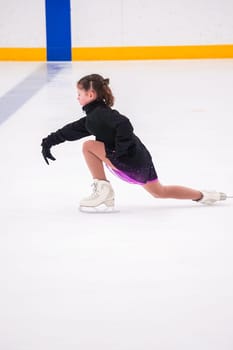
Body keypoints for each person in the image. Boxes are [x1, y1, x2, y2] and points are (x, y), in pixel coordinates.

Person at [41, 73, 227, 211]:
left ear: (90, 94)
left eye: (79, 93)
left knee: (88, 146)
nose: (77, 97)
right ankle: (204, 195)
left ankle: (103, 189)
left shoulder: (101, 115)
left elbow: (124, 124)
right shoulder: (95, 117)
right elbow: (71, 130)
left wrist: (118, 152)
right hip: (140, 161)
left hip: (128, 160)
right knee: (159, 191)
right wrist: (49, 142)